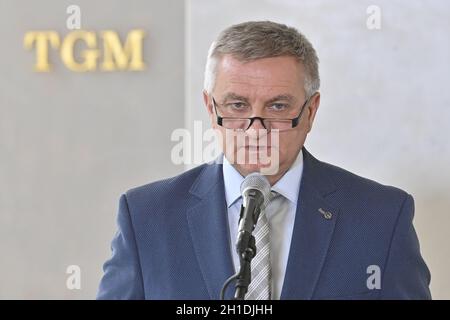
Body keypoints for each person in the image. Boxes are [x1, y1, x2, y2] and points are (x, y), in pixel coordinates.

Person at [97, 21, 431, 300]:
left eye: (278, 107)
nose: (256, 130)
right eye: (237, 106)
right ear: (211, 110)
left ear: (310, 111)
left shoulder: (381, 217)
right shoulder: (146, 217)